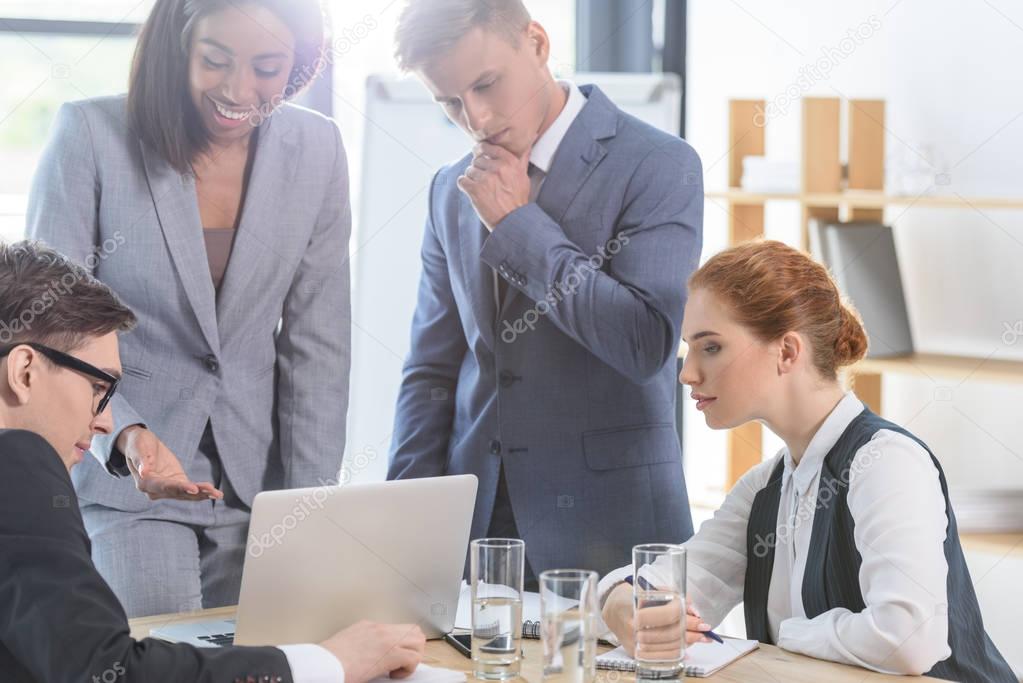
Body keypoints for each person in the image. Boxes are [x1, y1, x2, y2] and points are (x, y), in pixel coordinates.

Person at [26, 0, 352, 617]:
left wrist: (312, 509)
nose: (238, 89)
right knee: (159, 654)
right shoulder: (92, 135)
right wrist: (124, 433)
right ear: (179, 49)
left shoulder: (317, 149)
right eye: (215, 60)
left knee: (264, 661)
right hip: (129, 480)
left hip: (259, 483)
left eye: (267, 66)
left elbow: (319, 346)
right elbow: (52, 326)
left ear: (299, 64)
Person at [0, 241, 424, 683]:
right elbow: (107, 670)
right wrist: (331, 662)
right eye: (98, 388)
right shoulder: (17, 461)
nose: (107, 422)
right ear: (25, 371)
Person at [387, 0, 703, 583]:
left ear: (536, 42)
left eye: (486, 84)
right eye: (451, 102)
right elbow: (432, 371)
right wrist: (403, 522)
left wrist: (517, 227)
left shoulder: (661, 164)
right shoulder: (448, 189)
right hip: (476, 535)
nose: (477, 119)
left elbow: (644, 342)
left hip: (614, 533)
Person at [598, 240, 1016, 680]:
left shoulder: (887, 463)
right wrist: (622, 602)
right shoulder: (767, 485)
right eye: (690, 347)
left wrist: (788, 634)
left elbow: (908, 640)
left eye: (712, 347)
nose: (686, 373)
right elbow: (678, 578)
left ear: (787, 352)